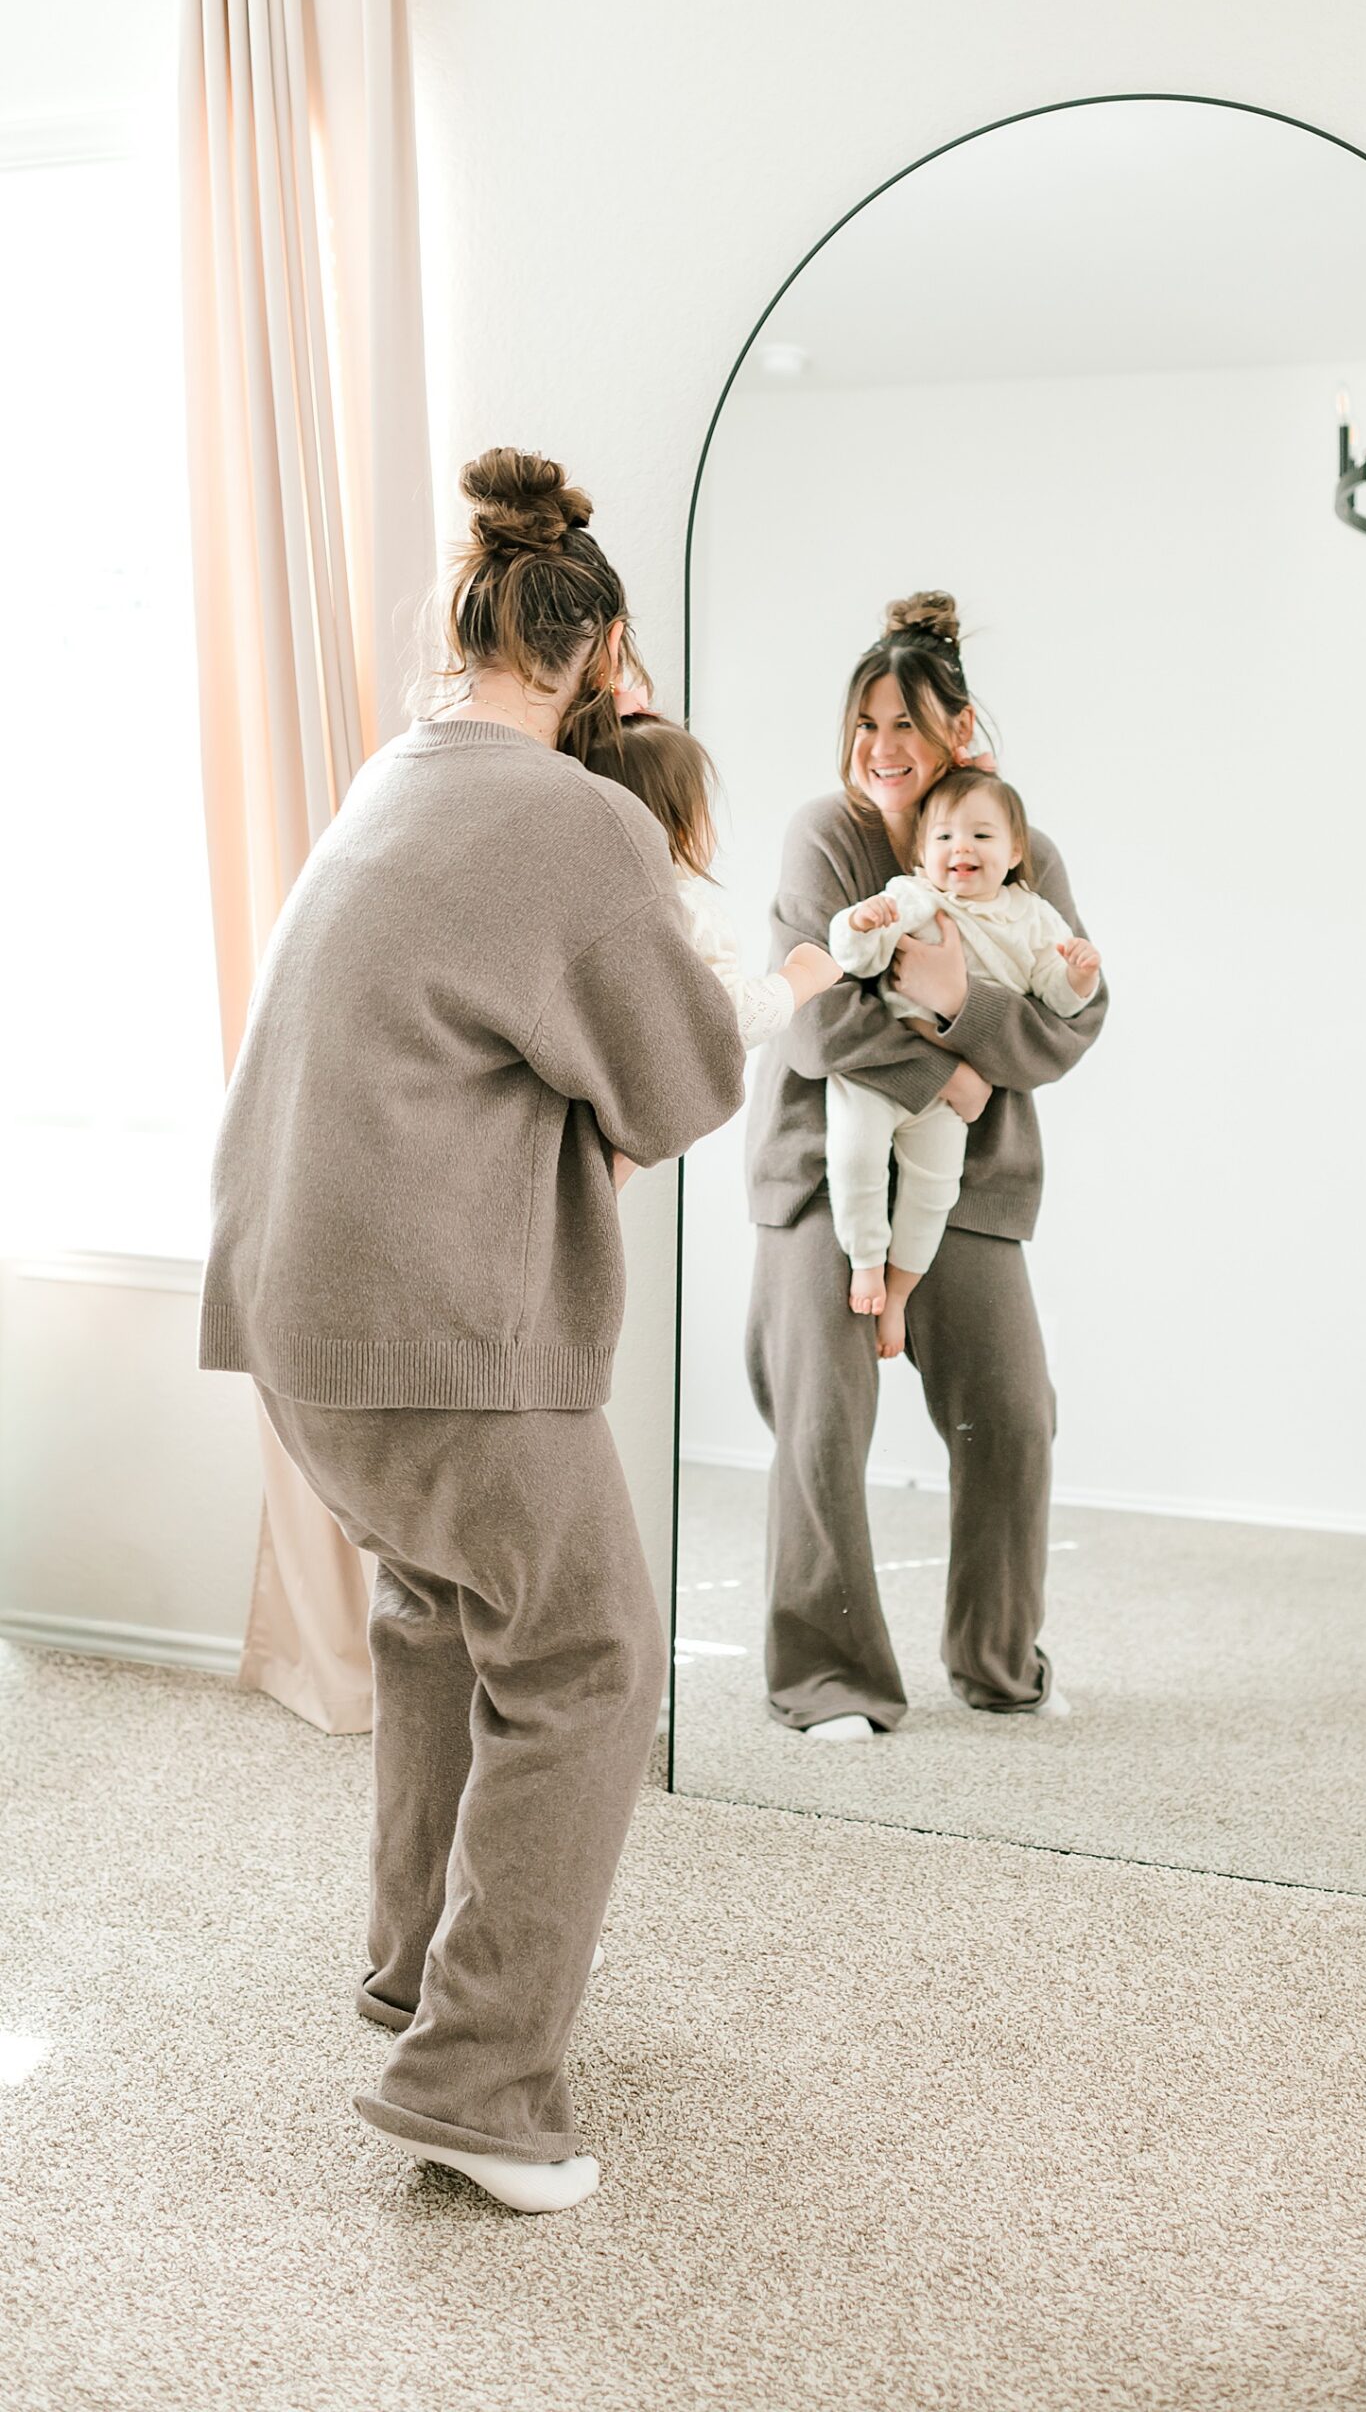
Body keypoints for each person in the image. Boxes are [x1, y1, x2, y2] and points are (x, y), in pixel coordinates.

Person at [198, 448, 747, 2214]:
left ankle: (412, 1970)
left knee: (439, 1615)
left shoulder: (396, 776)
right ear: (602, 661)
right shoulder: (576, 822)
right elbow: (678, 1088)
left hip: (298, 1320)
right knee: (588, 1661)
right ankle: (480, 2081)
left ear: (469, 624)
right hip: (434, 1334)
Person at [745, 591, 1107, 1742]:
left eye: (906, 723)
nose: (881, 749)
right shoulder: (826, 835)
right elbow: (810, 1024)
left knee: (1012, 1414)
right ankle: (828, 1678)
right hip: (823, 1169)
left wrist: (963, 1008)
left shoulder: (1021, 844)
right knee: (820, 1422)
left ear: (958, 731)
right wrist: (954, 1063)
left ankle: (999, 1665)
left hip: (973, 1181)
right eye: (864, 723)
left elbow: (1073, 1021)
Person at [826, 766, 1102, 1356]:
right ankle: (867, 1261)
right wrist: (859, 923)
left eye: (981, 835)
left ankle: (898, 1292)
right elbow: (856, 955)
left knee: (934, 1189)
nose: (962, 849)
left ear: (1015, 849)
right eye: (945, 838)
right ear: (923, 853)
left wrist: (1076, 975)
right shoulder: (913, 896)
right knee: (855, 1155)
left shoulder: (1032, 917)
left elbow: (1054, 993)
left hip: (948, 1096)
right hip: (883, 1069)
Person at [583, 711, 843, 1049]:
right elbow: (728, 1020)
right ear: (682, 829)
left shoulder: (594, 904)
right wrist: (800, 978)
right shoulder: (684, 910)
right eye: (704, 807)